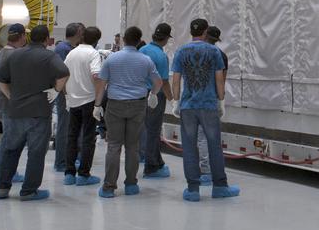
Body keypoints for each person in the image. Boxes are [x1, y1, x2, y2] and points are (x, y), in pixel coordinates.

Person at [0, 24, 69, 201]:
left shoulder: (15, 55)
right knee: (36, 153)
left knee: (10, 150)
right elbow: (64, 73)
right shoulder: (49, 56)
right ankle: (29, 191)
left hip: (15, 112)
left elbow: (0, 79)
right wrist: (56, 90)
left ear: (29, 38)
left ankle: (2, 188)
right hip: (39, 112)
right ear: (46, 39)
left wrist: (11, 96)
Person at [170, 18, 239, 202]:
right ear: (206, 31)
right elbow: (219, 79)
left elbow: (176, 79)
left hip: (188, 106)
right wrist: (221, 101)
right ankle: (220, 187)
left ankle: (193, 189)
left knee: (190, 147)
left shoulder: (181, 51)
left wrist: (175, 102)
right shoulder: (214, 51)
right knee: (214, 145)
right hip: (208, 105)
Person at [94, 28, 162, 198]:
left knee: (114, 145)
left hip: (115, 105)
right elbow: (158, 82)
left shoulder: (112, 59)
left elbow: (102, 84)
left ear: (124, 39)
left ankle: (109, 187)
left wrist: (97, 105)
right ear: (139, 41)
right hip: (138, 105)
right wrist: (152, 95)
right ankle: (131, 184)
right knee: (133, 146)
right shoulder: (145, 60)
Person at [62, 25, 103, 187]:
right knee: (88, 138)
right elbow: (97, 76)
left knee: (71, 136)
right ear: (97, 40)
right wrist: (98, 103)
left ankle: (69, 173)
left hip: (73, 101)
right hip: (89, 101)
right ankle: (84, 174)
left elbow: (63, 74)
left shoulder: (72, 53)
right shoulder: (93, 54)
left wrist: (66, 96)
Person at [0, 24, 28, 185]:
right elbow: (2, 80)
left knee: (9, 137)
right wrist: (13, 99)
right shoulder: (12, 54)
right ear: (21, 36)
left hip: (5, 100)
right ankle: (5, 173)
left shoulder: (4, 52)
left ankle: (1, 171)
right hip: (8, 102)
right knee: (10, 139)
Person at [139, 23, 173, 179]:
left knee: (144, 128)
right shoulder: (161, 56)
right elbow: (164, 81)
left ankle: (154, 160)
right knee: (153, 130)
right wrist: (172, 99)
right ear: (166, 39)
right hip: (155, 94)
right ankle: (151, 166)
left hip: (139, 94)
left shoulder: (142, 50)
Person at [196, 24, 229, 184]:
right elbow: (222, 80)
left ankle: (205, 170)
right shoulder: (221, 55)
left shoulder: (195, 51)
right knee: (213, 136)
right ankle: (213, 169)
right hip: (213, 98)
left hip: (195, 99)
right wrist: (221, 100)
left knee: (200, 137)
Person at [51, 22, 83, 172]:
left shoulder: (70, 49)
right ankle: (61, 161)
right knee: (65, 127)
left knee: (71, 126)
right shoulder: (63, 49)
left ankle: (69, 157)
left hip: (71, 94)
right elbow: (62, 74)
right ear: (77, 32)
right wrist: (66, 94)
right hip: (65, 94)